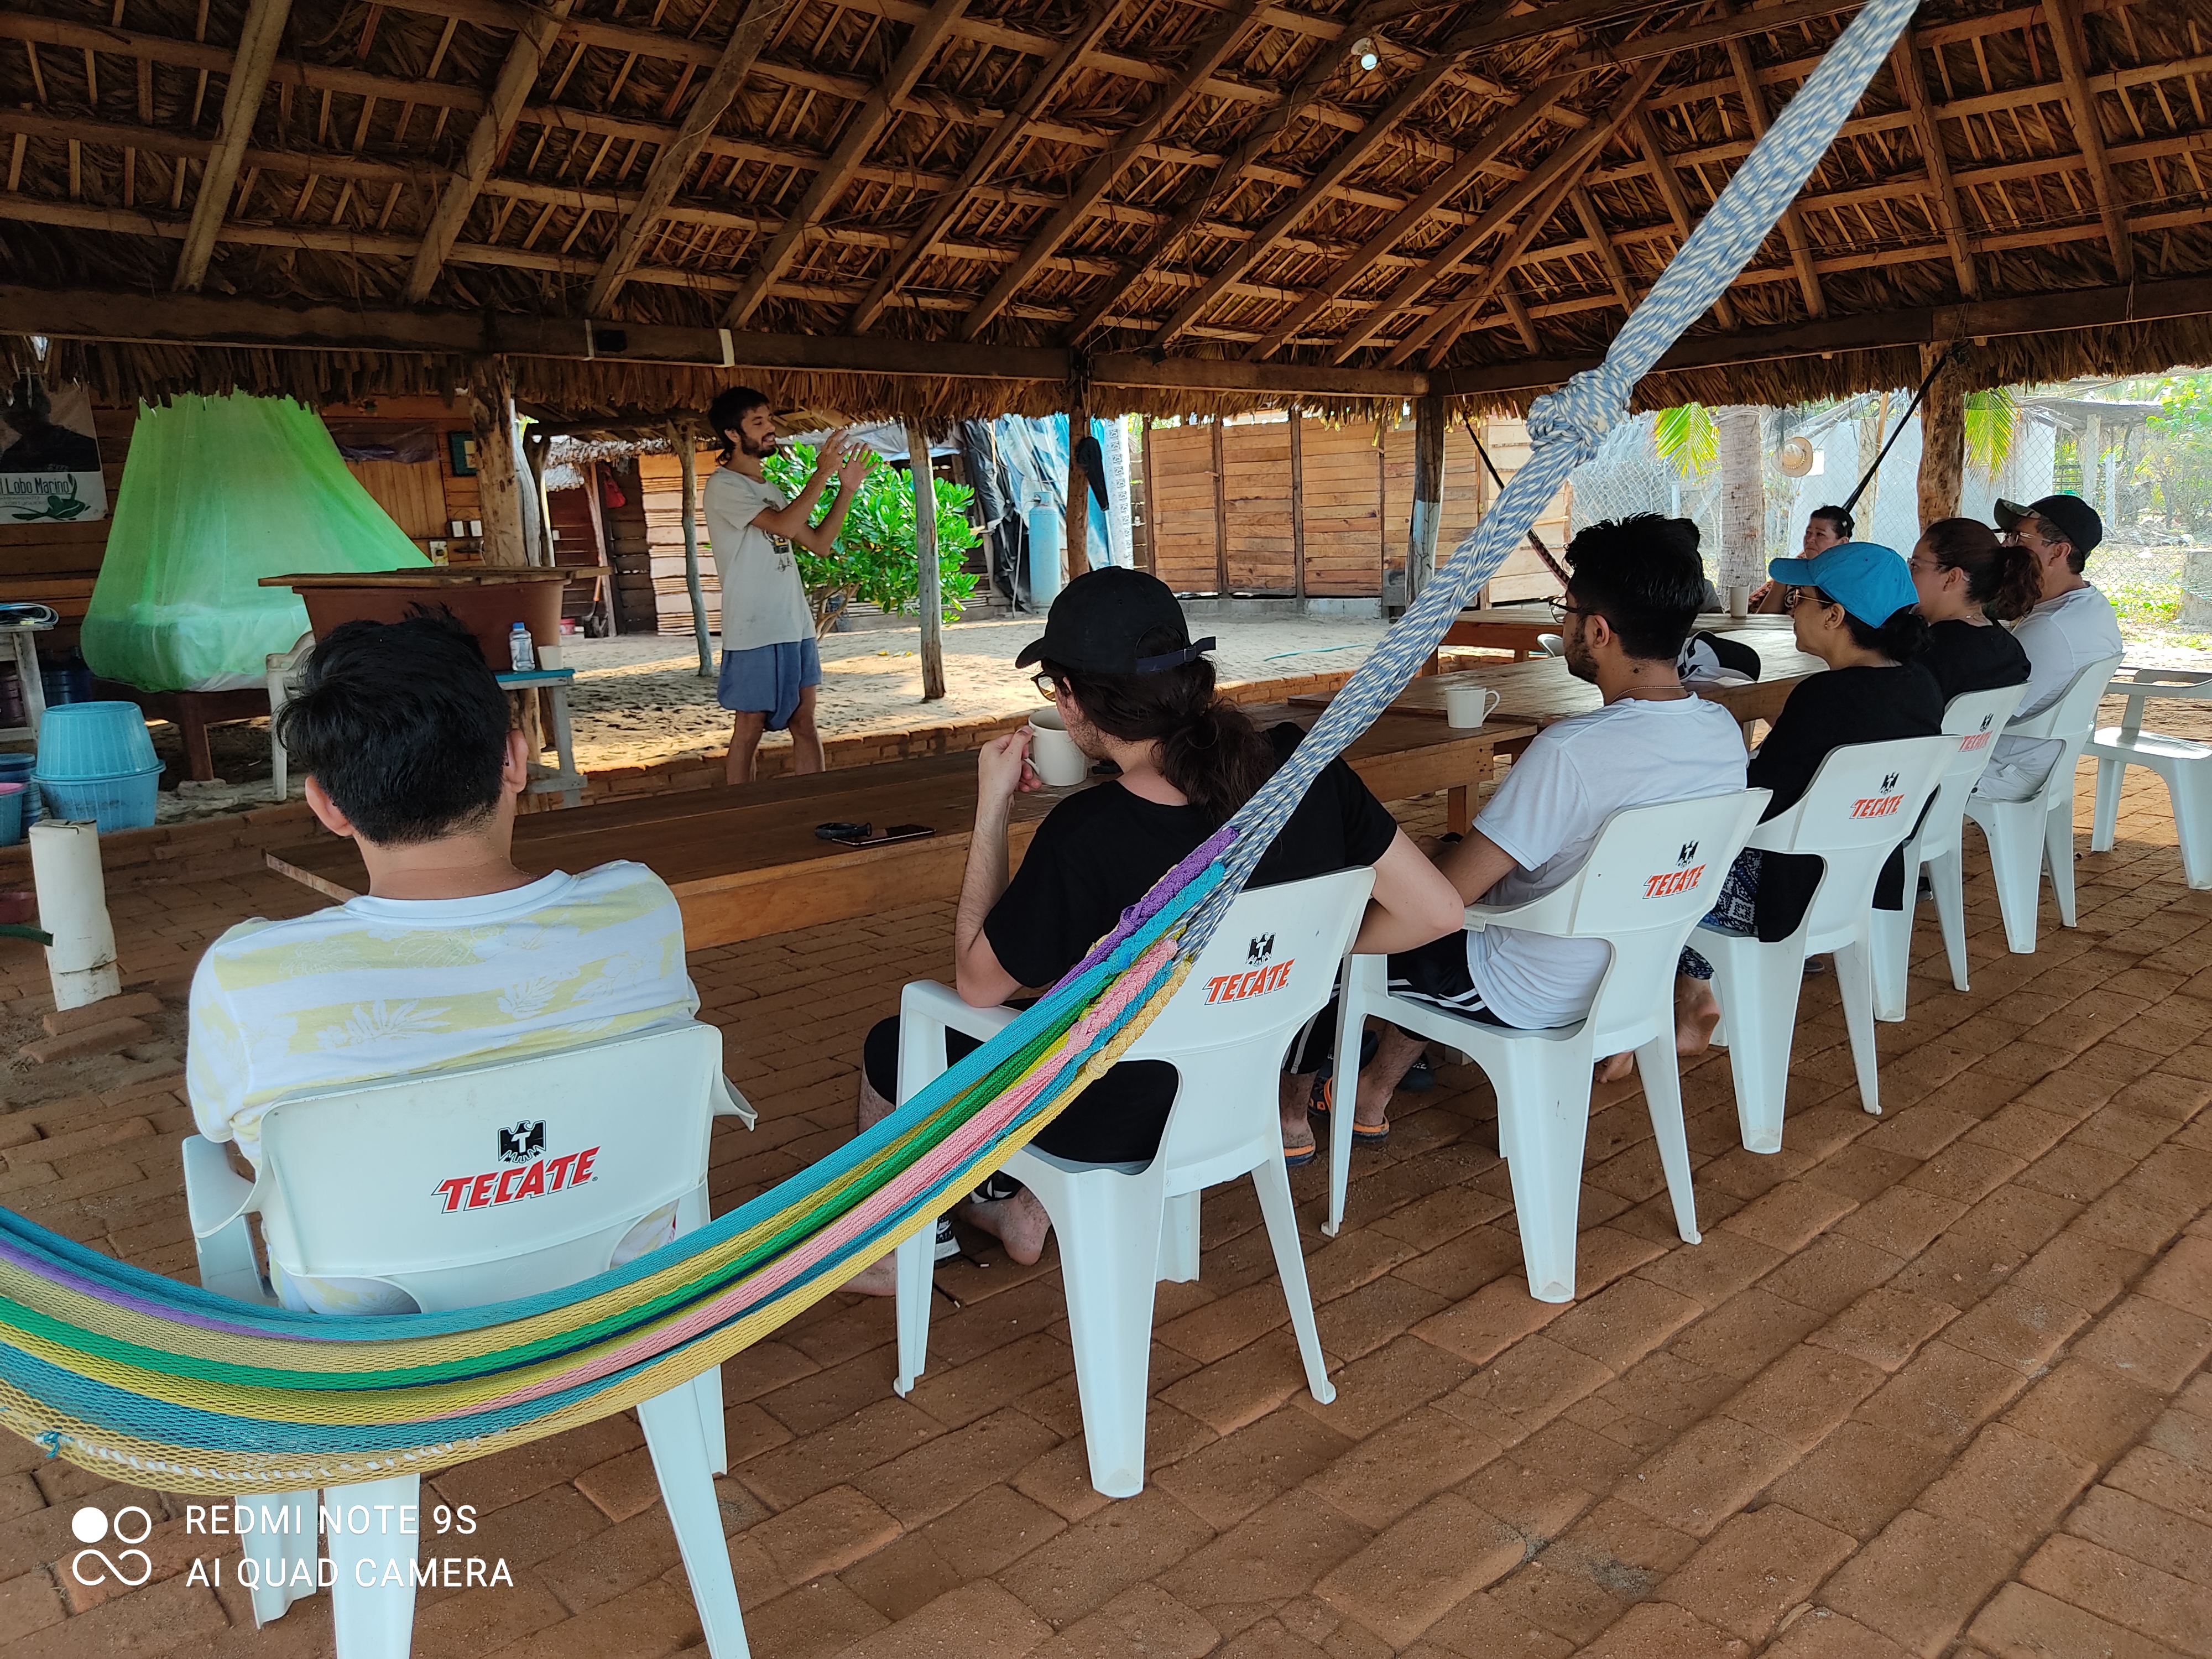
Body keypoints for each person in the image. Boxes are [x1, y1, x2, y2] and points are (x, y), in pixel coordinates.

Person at [841, 568, 1464, 1290]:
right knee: (1079, 1006)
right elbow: (1437, 912)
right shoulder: (1308, 767)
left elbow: (979, 985)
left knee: (897, 1042)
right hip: (1241, 1091)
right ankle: (1022, 1212)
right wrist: (1295, 948)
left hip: (1120, 1117)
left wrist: (991, 809)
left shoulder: (1090, 833)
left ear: (1070, 699)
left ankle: (889, 1251)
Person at [187, 611, 714, 1314]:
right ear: (515, 761)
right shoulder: (637, 909)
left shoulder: (252, 977)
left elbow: (218, 1131)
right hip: (618, 1296)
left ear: (327, 805)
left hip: (379, 1344)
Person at [1333, 514, 1749, 1107]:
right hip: (1636, 978)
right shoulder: (1720, 733)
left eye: (1567, 608)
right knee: (1436, 860)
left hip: (1526, 989)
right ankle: (1374, 1090)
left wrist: (1344, 929)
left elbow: (1449, 900)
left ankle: (1324, 1098)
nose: (1563, 620)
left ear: (1598, 631)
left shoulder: (1572, 752)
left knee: (1352, 923)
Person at [1678, 541, 1941, 1031]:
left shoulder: (1823, 696)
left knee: (1661, 867)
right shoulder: (1921, 685)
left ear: (1835, 616)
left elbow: (1757, 799)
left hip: (1787, 891)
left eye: (1801, 599)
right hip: (1863, 881)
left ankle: (1682, 1001)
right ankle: (1693, 994)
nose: (1794, 610)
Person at [702, 387, 872, 785]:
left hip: (793, 626)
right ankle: (741, 814)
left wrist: (846, 489)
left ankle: (814, 806)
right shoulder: (723, 486)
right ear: (732, 434)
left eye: (769, 419)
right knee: (750, 727)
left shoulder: (769, 490)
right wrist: (822, 472)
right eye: (757, 422)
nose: (770, 429)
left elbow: (819, 543)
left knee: (804, 721)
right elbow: (781, 525)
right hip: (753, 629)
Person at [1974, 494, 2124, 802]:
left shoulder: (2051, 628)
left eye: (2019, 538)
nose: (2006, 547)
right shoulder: (2091, 605)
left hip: (2004, 768)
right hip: (2042, 761)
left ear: (2058, 552)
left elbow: (1980, 713)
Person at [1907, 518, 2035, 702]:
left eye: (1915, 566)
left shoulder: (1928, 653)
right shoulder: (2010, 651)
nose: (1908, 575)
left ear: (1952, 578)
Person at [1750, 504, 1854, 612]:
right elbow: (1766, 618)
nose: (1810, 539)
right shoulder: (1791, 571)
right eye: (1808, 533)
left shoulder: (1851, 578)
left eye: (1820, 534)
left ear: (1842, 543)